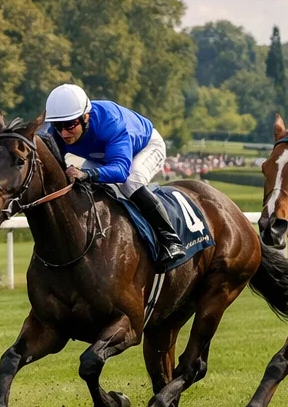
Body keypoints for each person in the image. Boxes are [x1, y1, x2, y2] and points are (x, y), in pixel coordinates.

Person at [42, 83, 185, 271]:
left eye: (69, 125)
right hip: (102, 155)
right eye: (57, 126)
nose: (63, 133)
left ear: (86, 116)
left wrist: (87, 173)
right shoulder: (58, 132)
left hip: (144, 147)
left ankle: (171, 239)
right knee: (84, 188)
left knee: (130, 182)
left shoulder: (109, 122)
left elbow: (120, 171)